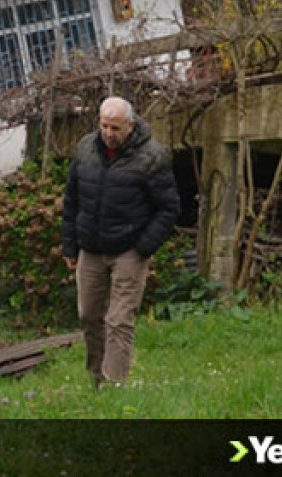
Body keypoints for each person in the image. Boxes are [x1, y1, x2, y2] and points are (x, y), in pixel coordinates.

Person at [63, 96, 179, 387]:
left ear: (130, 125)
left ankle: (115, 385)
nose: (108, 133)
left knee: (119, 319)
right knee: (89, 315)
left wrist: (143, 248)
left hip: (129, 249)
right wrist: (69, 246)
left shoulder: (152, 156)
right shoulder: (85, 149)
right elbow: (71, 200)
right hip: (90, 247)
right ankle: (96, 381)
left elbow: (169, 208)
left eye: (115, 128)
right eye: (104, 126)